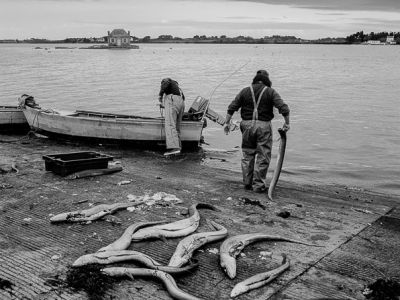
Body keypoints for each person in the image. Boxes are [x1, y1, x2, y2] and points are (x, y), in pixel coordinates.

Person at [223, 70, 290, 193]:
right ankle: (258, 185)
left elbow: (232, 107)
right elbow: (284, 108)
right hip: (263, 126)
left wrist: (226, 123)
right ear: (267, 80)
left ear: (255, 79)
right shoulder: (270, 92)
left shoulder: (245, 90)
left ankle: (247, 183)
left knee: (247, 154)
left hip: (246, 125)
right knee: (263, 155)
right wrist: (287, 123)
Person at [158, 78, 185, 156]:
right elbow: (179, 101)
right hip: (181, 102)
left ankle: (174, 148)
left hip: (172, 100)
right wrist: (165, 105)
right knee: (177, 127)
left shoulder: (167, 81)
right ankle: (178, 147)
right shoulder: (177, 87)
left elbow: (165, 83)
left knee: (170, 124)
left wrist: (160, 96)